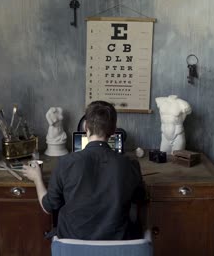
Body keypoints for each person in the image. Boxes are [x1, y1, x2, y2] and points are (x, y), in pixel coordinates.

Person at [23, 101, 144, 240]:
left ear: (85, 126)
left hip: (72, 248)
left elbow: (48, 207)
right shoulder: (130, 165)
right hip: (116, 248)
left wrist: (37, 178)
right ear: (113, 130)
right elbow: (139, 198)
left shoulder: (65, 163)